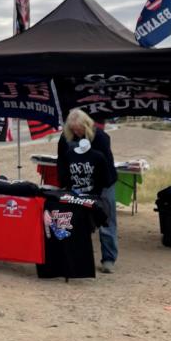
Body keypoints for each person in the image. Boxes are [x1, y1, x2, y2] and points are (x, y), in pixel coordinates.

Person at [58, 109, 118, 273]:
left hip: (103, 184)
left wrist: (96, 191)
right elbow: (62, 163)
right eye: (73, 130)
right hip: (78, 186)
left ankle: (109, 259)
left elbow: (105, 168)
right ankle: (78, 256)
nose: (76, 132)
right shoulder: (65, 139)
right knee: (78, 221)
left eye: (79, 129)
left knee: (107, 220)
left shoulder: (100, 138)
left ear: (87, 125)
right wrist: (66, 185)